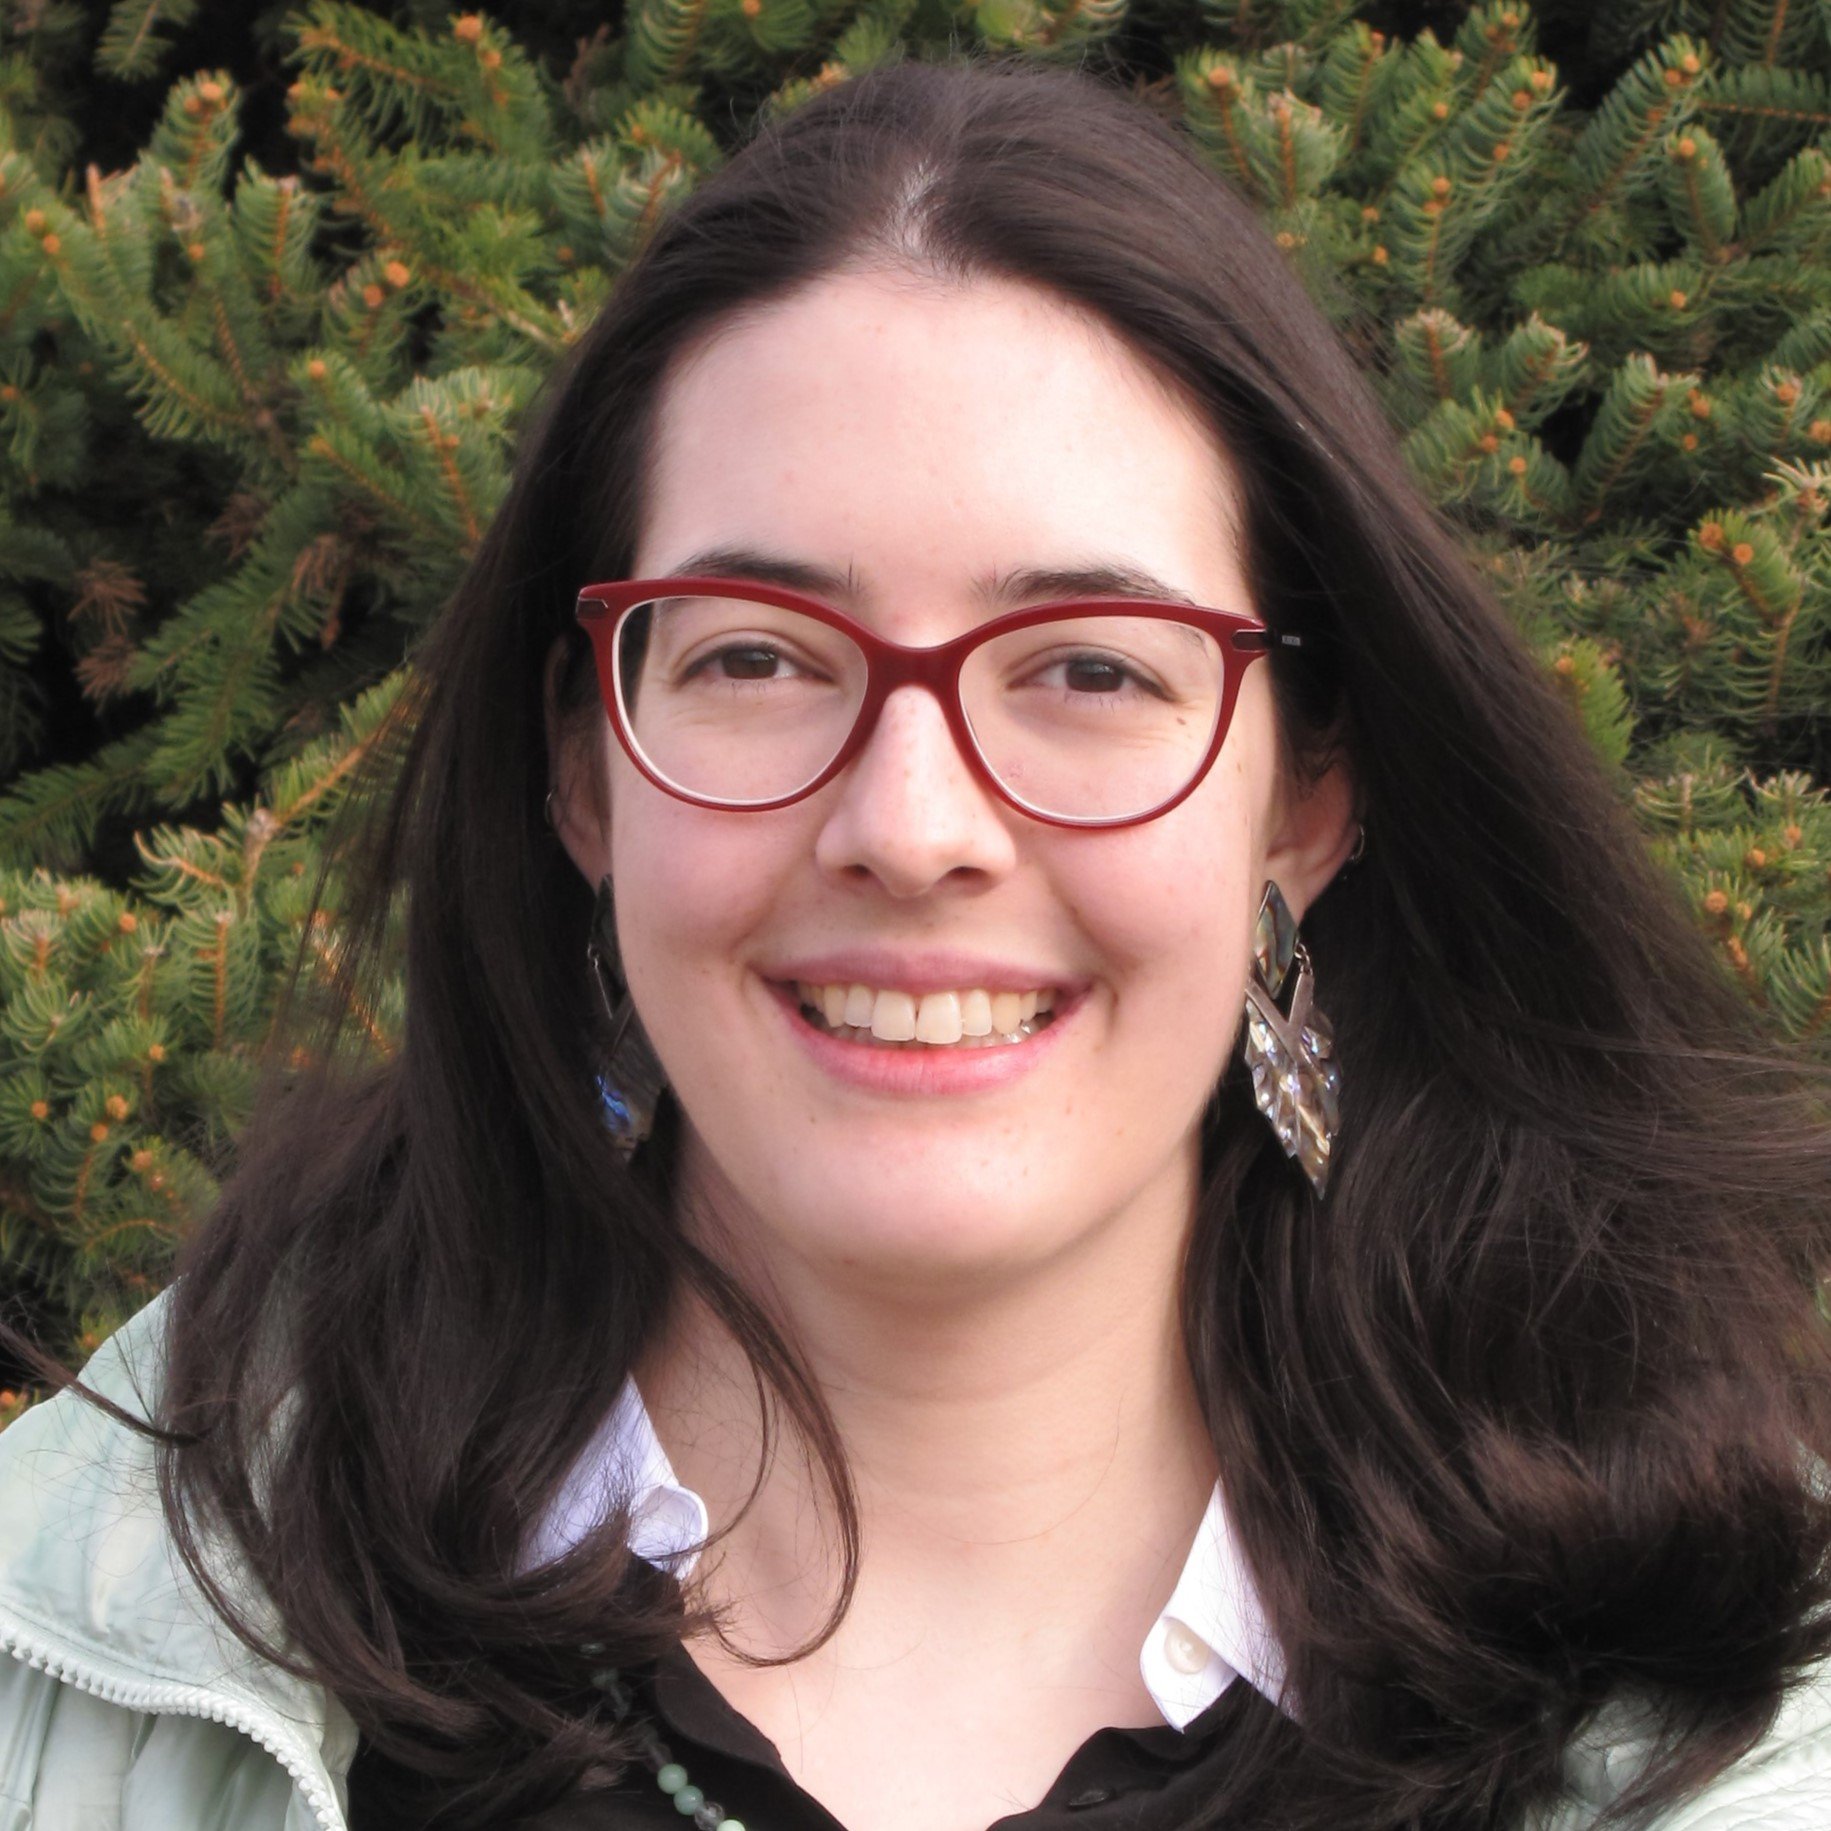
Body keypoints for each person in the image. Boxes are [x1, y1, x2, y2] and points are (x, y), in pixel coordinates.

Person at [4, 54, 1831, 1831]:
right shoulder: (78, 1662)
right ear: (585, 772)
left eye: (1092, 673)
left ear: (1302, 796)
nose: (912, 827)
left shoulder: (1726, 1710)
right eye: (755, 658)